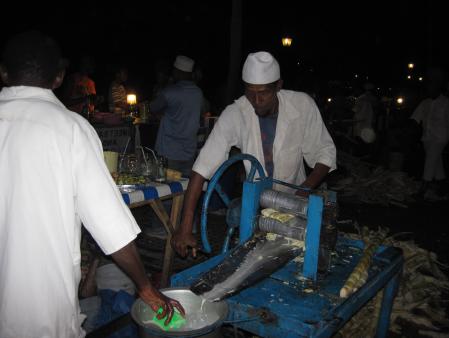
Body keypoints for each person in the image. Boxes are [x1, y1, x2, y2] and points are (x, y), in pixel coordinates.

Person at [0, 31, 183, 338]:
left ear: (3, 72)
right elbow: (111, 226)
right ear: (59, 78)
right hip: (40, 312)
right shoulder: (70, 129)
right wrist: (147, 288)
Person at [171, 51, 337, 257]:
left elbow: (325, 153)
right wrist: (185, 226)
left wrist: (302, 191)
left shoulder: (302, 106)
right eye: (250, 93)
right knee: (255, 258)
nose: (256, 101)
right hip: (258, 206)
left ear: (278, 86)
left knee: (297, 257)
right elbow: (202, 168)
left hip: (297, 200)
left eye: (263, 94)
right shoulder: (236, 112)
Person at [150, 55, 204, 177]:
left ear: (179, 72)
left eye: (174, 70)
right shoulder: (198, 93)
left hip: (170, 151)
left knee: (168, 189)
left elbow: (153, 107)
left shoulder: (170, 92)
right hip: (189, 151)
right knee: (184, 188)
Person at [410, 66, 449, 200]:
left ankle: (423, 189)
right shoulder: (425, 102)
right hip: (427, 137)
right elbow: (415, 119)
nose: (429, 90)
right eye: (428, 88)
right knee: (436, 163)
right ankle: (443, 187)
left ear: (438, 88)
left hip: (440, 138)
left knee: (430, 160)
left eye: (432, 88)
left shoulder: (446, 103)